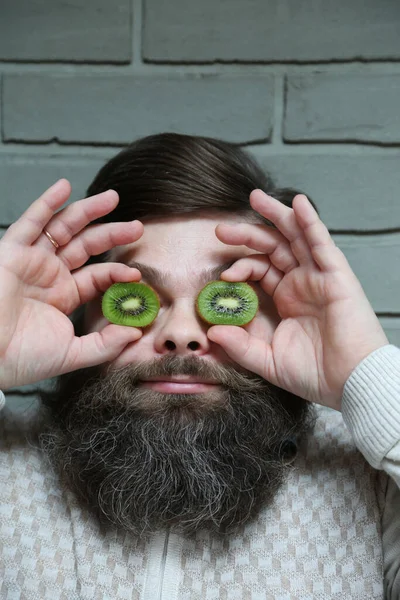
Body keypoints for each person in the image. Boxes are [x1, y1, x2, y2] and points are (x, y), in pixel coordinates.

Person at [0, 133, 399, 599]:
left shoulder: (376, 487)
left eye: (228, 298)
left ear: (282, 317)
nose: (183, 332)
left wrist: (365, 368)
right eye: (138, 297)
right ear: (82, 313)